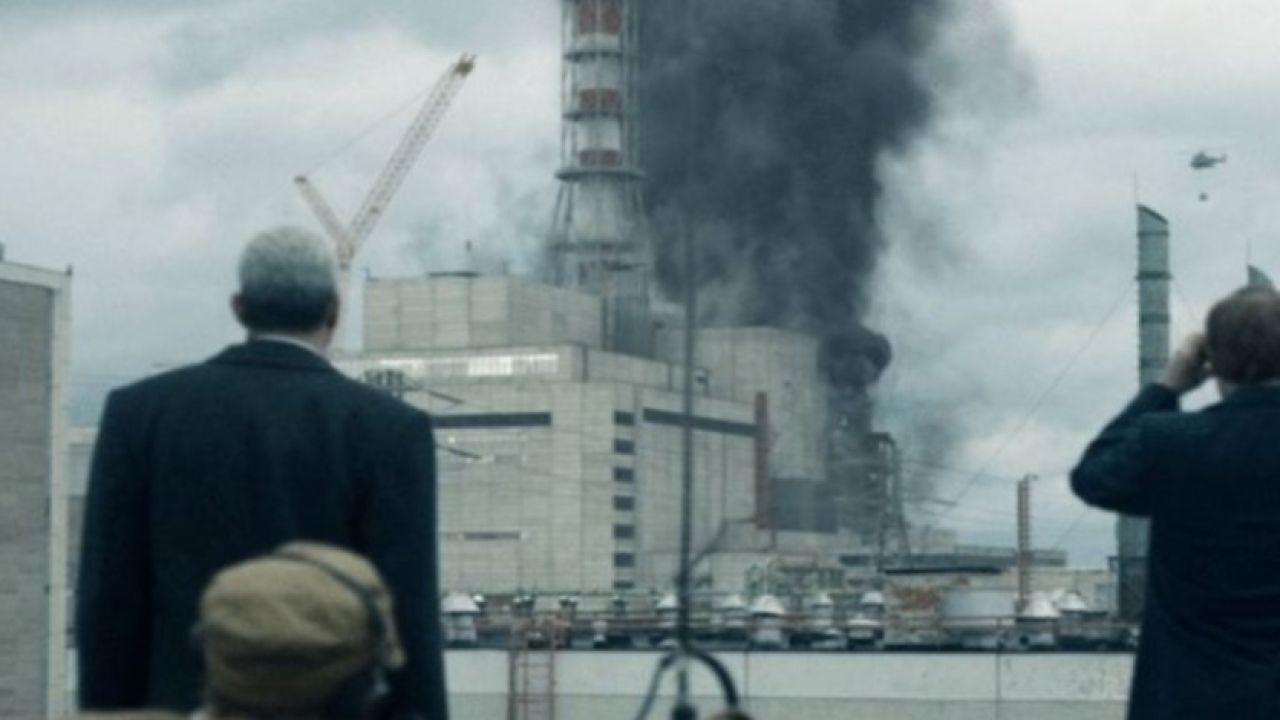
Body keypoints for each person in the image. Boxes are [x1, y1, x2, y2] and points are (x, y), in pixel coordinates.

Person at [76, 227, 446, 720]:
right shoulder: (390, 430)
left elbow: (109, 604)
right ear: (334, 311)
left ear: (239, 308)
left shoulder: (138, 415)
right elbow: (408, 616)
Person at [1071, 286, 1280, 719]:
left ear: (1212, 361)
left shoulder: (1171, 443)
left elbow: (1093, 478)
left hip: (1188, 701)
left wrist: (1166, 387)